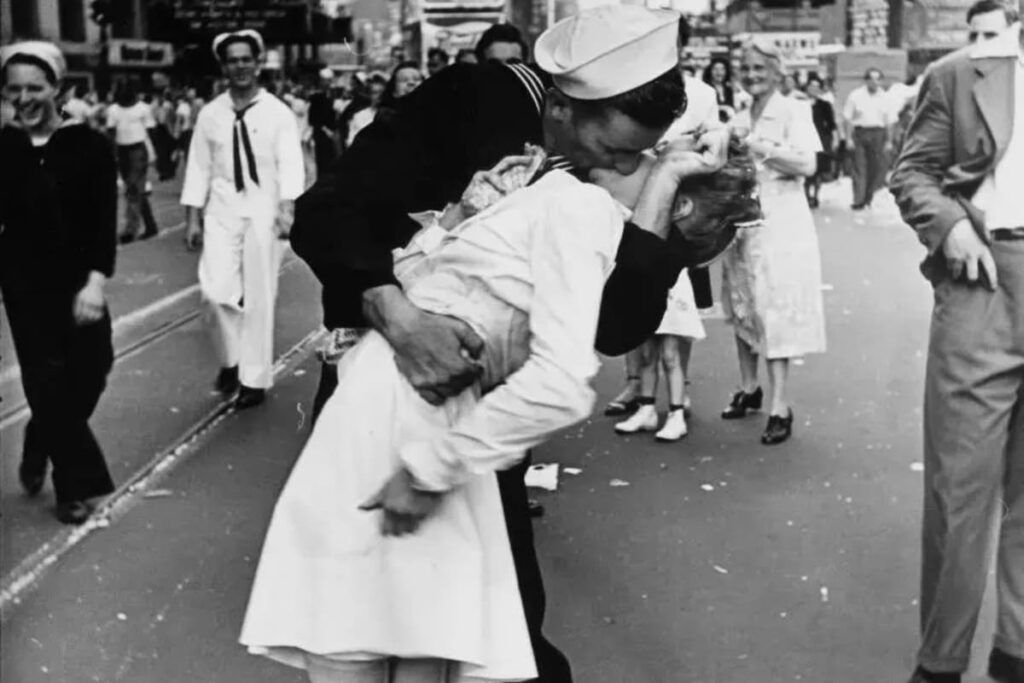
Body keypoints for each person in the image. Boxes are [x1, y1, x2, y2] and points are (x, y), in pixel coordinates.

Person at [289, 6, 730, 681]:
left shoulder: (615, 173)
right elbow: (324, 213)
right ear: (557, 106)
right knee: (370, 636)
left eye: (634, 154)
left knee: (496, 634)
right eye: (610, 149)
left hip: (482, 424)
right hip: (385, 403)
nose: (616, 166)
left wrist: (671, 220)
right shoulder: (473, 100)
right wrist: (402, 320)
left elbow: (611, 327)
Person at [889, 16, 1024, 683]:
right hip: (986, 278)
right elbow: (911, 173)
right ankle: (941, 662)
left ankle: (1017, 647)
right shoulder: (962, 73)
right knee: (961, 487)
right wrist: (950, 229)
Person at [0, 42, 118, 525]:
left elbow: (102, 221)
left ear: (58, 89)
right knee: (46, 380)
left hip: (77, 280)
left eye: (35, 88)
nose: (24, 98)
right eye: (14, 90)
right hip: (23, 282)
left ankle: (40, 437)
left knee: (93, 367)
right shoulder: (4, 147)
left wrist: (94, 283)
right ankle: (75, 487)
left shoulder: (89, 146)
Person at [605, 15, 722, 422]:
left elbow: (713, 152)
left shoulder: (702, 94)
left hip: (681, 209)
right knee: (629, 288)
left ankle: (678, 391)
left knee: (677, 306)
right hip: (630, 202)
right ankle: (637, 384)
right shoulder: (627, 87)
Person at [181, 30, 305, 409]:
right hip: (221, 211)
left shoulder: (277, 113)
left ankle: (253, 379)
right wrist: (192, 218)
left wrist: (288, 209)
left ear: (257, 62)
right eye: (232, 60)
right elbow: (198, 167)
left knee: (259, 297)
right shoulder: (211, 114)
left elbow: (291, 164)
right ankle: (231, 360)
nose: (240, 66)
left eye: (246, 59)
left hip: (263, 213)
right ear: (224, 66)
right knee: (215, 293)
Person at [719, 41, 826, 446]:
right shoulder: (740, 114)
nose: (751, 75)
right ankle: (750, 388)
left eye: (759, 68)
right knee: (743, 305)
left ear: (777, 71)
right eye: (745, 68)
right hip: (742, 223)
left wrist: (756, 146)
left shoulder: (794, 110)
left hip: (782, 223)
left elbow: (807, 164)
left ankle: (780, 405)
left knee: (775, 310)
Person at [106, 81, 159, 242]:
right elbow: (111, 133)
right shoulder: (113, 110)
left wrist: (154, 154)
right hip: (122, 151)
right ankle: (151, 226)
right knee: (134, 189)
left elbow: (152, 131)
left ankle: (130, 230)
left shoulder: (143, 108)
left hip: (138, 151)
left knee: (134, 189)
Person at [843, 67, 895, 210]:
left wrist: (889, 141)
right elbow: (847, 118)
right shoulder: (855, 95)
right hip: (860, 133)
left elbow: (890, 121)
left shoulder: (886, 98)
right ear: (866, 80)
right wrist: (848, 138)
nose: (874, 82)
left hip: (878, 134)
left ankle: (868, 197)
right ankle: (858, 200)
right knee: (859, 167)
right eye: (871, 78)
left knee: (876, 168)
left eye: (877, 78)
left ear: (881, 81)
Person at [803, 75, 838, 208]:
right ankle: (806, 194)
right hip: (804, 139)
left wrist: (834, 139)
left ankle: (816, 195)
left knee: (818, 169)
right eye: (812, 86)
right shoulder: (800, 103)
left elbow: (831, 124)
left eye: (817, 87)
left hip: (820, 139)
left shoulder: (825, 105)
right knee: (806, 169)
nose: (814, 89)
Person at [309, 68, 340, 178]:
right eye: (325, 80)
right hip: (322, 136)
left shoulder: (333, 95)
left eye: (329, 80)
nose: (327, 82)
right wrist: (327, 131)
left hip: (333, 136)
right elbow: (313, 119)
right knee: (322, 164)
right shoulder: (316, 98)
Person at [345, 72, 386, 148]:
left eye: (382, 93)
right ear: (370, 95)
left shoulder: (393, 116)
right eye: (375, 92)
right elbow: (351, 143)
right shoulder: (359, 117)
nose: (379, 96)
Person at [703, 56, 736, 122]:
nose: (719, 72)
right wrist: (724, 108)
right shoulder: (705, 88)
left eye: (722, 69)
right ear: (710, 71)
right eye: (715, 69)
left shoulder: (728, 89)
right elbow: (703, 108)